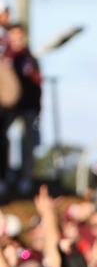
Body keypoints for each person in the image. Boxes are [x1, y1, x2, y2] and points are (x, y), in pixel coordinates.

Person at [0, 22, 41, 197]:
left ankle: (26, 178)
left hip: (28, 107)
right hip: (8, 108)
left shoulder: (30, 59)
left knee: (27, 140)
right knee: (3, 139)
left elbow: (37, 85)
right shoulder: (6, 59)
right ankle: (5, 175)